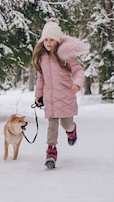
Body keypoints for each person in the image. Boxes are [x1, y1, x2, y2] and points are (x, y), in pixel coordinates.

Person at [31, 18, 89, 169]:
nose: (48, 43)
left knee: (66, 124)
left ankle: (72, 130)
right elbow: (41, 78)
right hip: (50, 97)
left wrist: (77, 83)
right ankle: (51, 152)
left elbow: (78, 70)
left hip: (65, 96)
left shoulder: (66, 55)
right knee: (52, 124)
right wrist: (38, 96)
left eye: (52, 40)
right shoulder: (42, 58)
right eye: (46, 40)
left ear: (58, 40)